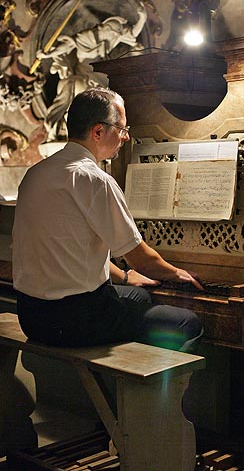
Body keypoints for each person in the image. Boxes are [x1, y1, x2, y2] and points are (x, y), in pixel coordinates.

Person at [12, 87, 204, 352]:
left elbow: (71, 251)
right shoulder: (94, 180)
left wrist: (125, 277)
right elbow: (140, 258)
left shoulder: (35, 173)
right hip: (76, 320)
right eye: (122, 129)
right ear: (98, 131)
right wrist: (178, 274)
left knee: (138, 294)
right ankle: (151, 391)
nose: (125, 138)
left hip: (32, 315)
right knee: (186, 323)